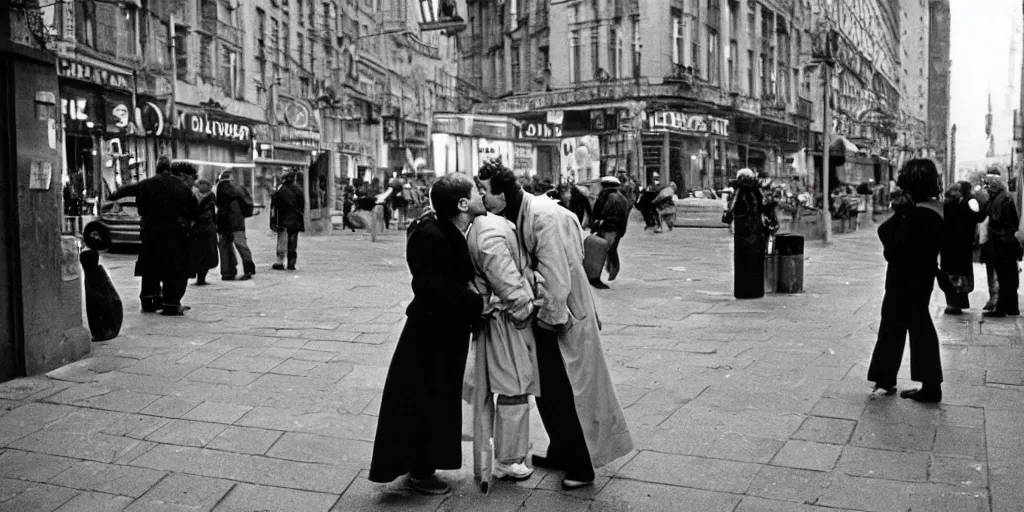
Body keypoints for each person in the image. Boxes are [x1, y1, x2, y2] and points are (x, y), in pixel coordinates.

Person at [477, 161, 633, 491]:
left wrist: (548, 322)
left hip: (561, 318)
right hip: (552, 314)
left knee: (567, 394)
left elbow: (556, 277)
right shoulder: (526, 211)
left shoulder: (542, 216)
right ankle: (560, 451)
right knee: (548, 392)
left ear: (502, 196)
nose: (481, 197)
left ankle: (580, 466)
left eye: (484, 192)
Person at [368, 173, 486, 495]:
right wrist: (475, 302)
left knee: (435, 399)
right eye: (477, 191)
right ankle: (420, 470)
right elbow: (428, 286)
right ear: (463, 203)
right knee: (424, 400)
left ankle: (422, 466)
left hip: (445, 331)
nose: (482, 195)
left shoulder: (447, 229)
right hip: (431, 335)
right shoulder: (431, 234)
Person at [464, 197, 541, 487]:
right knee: (514, 386)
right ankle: (509, 460)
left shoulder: (484, 226)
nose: (480, 195)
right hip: (505, 318)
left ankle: (499, 458)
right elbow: (505, 278)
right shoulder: (490, 230)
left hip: (495, 317)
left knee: (505, 386)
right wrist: (524, 309)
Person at [867, 159, 945, 403]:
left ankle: (928, 385)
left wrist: (901, 216)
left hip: (906, 278)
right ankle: (887, 377)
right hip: (919, 279)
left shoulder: (920, 214)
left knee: (906, 326)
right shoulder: (932, 209)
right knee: (901, 324)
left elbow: (893, 247)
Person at [107, 157, 197, 316]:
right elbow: (193, 209)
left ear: (157, 169)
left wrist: (113, 195)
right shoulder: (181, 187)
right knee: (174, 269)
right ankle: (171, 304)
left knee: (150, 267)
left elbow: (124, 191)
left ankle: (149, 301)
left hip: (151, 233)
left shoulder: (146, 184)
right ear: (169, 169)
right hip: (175, 234)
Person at [979, 173, 1021, 317]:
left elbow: (1000, 221)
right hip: (1004, 242)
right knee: (1007, 276)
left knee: (1005, 276)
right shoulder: (1001, 198)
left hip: (1003, 243)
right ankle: (1009, 307)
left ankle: (1003, 307)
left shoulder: (1003, 200)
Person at [724, 169, 769, 299]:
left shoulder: (737, 192)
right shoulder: (757, 191)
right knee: (754, 261)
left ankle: (743, 291)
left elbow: (730, 210)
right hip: (754, 231)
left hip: (742, 232)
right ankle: (755, 291)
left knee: (742, 262)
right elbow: (765, 205)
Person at [941, 181, 984, 315]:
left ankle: (951, 303)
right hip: (962, 245)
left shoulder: (944, 206)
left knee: (949, 273)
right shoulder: (964, 205)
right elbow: (978, 217)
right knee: (961, 274)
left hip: (946, 246)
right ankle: (958, 303)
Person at [590, 176, 631, 287]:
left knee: (609, 250)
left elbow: (611, 215)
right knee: (609, 250)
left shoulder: (613, 198)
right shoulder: (612, 196)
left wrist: (601, 222)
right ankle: (610, 272)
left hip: (611, 228)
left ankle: (612, 275)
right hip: (610, 228)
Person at [216, 171, 256, 281]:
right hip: (238, 221)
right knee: (241, 245)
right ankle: (248, 270)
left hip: (225, 222)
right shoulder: (239, 189)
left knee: (225, 246)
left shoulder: (220, 188)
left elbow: (220, 206)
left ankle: (228, 272)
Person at [270, 172, 305, 271]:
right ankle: (291, 263)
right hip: (296, 220)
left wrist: (274, 222)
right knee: (293, 242)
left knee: (282, 241)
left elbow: (275, 206)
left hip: (283, 220)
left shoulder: (281, 190)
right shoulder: (299, 190)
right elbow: (302, 205)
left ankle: (280, 262)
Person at [189, 178, 219, 286]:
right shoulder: (196, 196)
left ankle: (202, 277)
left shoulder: (211, 196)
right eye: (201, 184)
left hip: (208, 228)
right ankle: (200, 278)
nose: (204, 186)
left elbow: (215, 211)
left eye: (205, 184)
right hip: (200, 228)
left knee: (208, 253)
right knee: (200, 254)